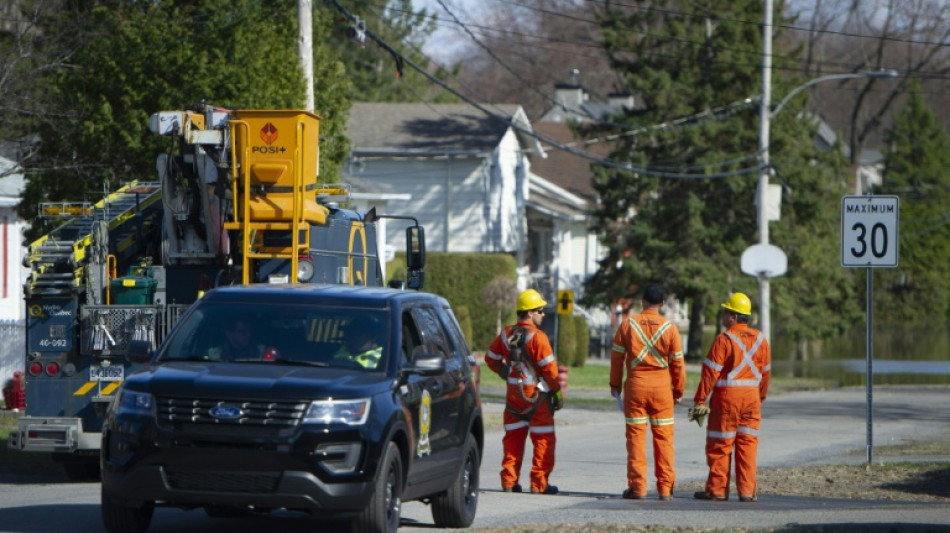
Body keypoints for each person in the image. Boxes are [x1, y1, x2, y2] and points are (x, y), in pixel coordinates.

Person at [609, 283, 686, 501]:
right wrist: (678, 390)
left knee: (635, 439)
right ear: (662, 304)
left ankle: (638, 488)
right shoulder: (670, 328)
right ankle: (665, 488)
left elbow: (617, 359)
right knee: (664, 440)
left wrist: (615, 386)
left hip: (635, 387)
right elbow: (677, 363)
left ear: (642, 301)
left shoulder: (627, 324)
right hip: (662, 390)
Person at [692, 292, 771, 503]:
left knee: (720, 445)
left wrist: (700, 401)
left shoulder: (724, 340)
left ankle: (717, 491)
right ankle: (746, 492)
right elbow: (766, 373)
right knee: (748, 446)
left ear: (734, 316)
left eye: (725, 312)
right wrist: (760, 396)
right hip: (752, 400)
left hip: (727, 400)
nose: (722, 316)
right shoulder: (761, 339)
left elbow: (710, 373)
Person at [484, 289, 563, 495]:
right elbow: (551, 372)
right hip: (536, 398)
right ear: (529, 313)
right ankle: (539, 484)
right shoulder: (539, 338)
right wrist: (557, 394)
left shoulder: (506, 334)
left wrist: (504, 371)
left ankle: (509, 482)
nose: (543, 314)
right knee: (543, 439)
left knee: (513, 439)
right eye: (540, 310)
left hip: (513, 398)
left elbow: (490, 358)